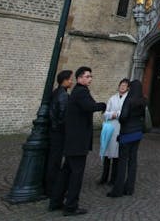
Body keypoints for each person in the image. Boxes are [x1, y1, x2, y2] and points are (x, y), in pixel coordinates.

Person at [49, 66, 106, 216]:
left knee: (66, 171)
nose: (90, 79)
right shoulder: (81, 92)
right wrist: (103, 105)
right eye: (87, 76)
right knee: (76, 174)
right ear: (80, 78)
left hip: (72, 140)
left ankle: (55, 201)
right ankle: (71, 206)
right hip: (77, 141)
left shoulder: (77, 92)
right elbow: (90, 106)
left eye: (90, 76)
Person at [108, 80, 146, 198]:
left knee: (122, 161)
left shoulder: (128, 100)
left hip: (127, 134)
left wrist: (122, 120)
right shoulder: (143, 101)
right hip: (137, 134)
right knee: (133, 161)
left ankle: (117, 190)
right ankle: (129, 188)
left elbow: (123, 117)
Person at [45, 69, 72, 197]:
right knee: (55, 160)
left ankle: (49, 186)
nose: (71, 81)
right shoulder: (63, 95)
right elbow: (63, 115)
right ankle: (52, 189)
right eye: (70, 79)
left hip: (53, 130)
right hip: (59, 132)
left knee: (52, 159)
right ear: (64, 80)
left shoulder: (56, 92)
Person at [98, 79, 129, 186]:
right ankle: (104, 176)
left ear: (127, 88)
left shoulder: (127, 99)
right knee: (107, 153)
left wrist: (118, 114)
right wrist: (112, 115)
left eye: (125, 85)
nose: (122, 87)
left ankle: (113, 178)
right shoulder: (112, 98)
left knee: (116, 154)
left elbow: (126, 112)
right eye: (121, 85)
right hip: (110, 127)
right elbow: (105, 113)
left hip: (120, 128)